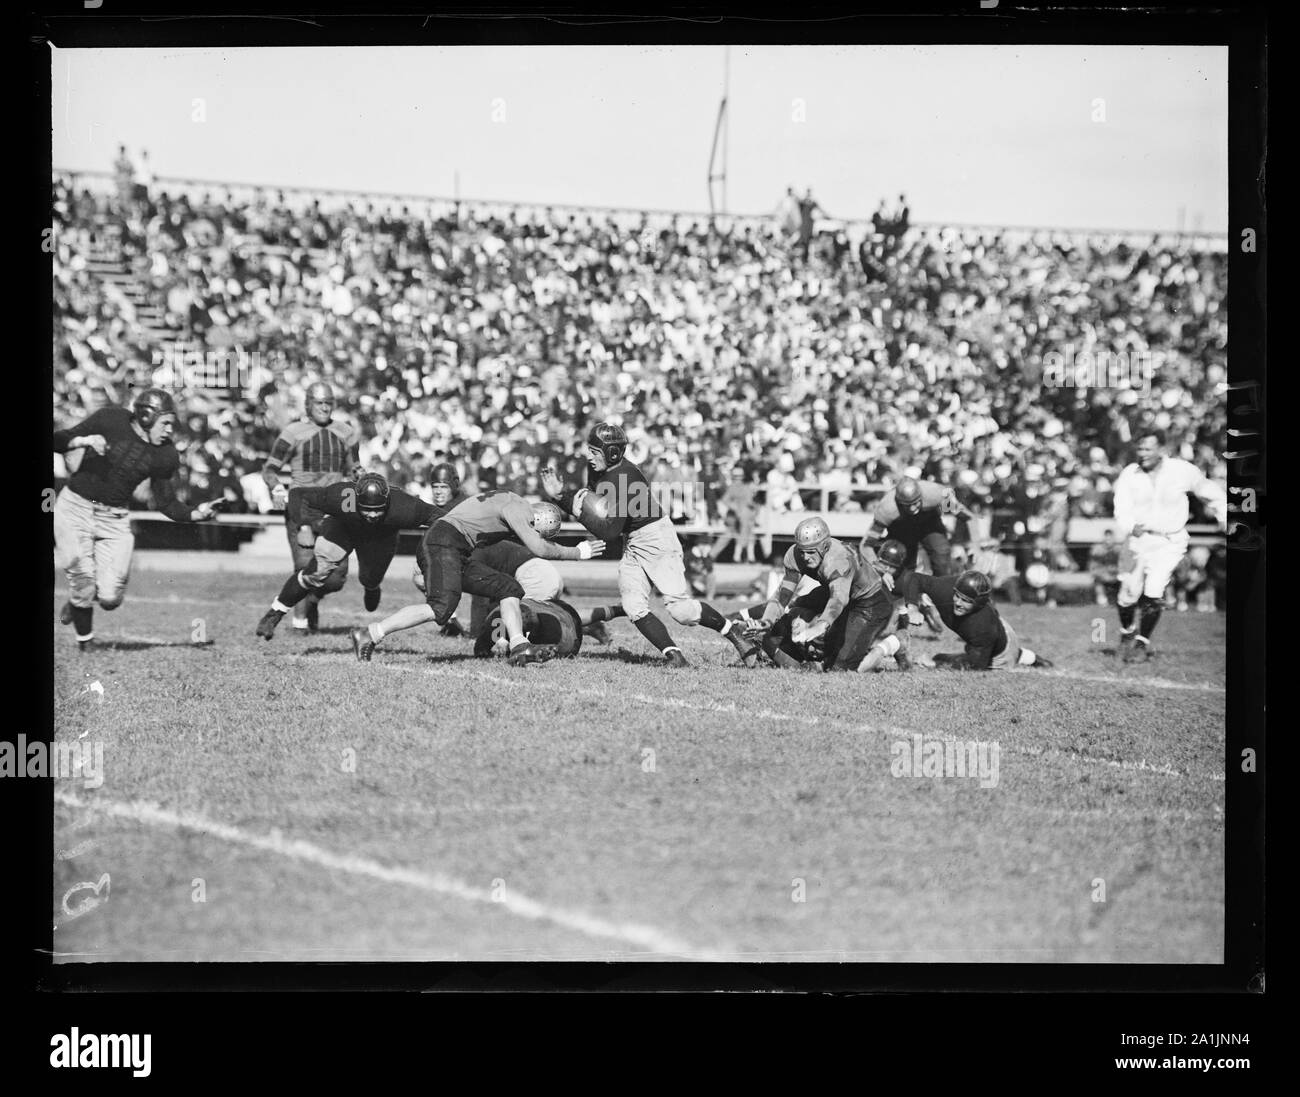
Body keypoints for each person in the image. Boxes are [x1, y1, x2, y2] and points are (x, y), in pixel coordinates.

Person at [540, 422, 759, 668]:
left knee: (681, 611)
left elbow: (608, 530)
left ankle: (733, 630)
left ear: (612, 452)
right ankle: (675, 656)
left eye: (595, 451)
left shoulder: (625, 477)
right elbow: (598, 511)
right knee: (634, 606)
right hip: (633, 540)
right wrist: (561, 497)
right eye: (589, 449)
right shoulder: (599, 470)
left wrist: (573, 507)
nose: (589, 456)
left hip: (656, 539)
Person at [358, 487, 605, 667]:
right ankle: (372, 633)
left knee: (509, 588)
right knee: (441, 608)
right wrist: (577, 552)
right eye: (535, 529)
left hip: (455, 546)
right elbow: (540, 549)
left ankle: (519, 645)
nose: (529, 532)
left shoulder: (511, 499)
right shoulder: (518, 510)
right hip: (444, 542)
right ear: (538, 518)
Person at [53, 388, 221, 650]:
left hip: (114, 518)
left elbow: (165, 502)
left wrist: (195, 513)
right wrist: (82, 441)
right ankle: (86, 642)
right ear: (146, 416)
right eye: (165, 423)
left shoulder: (165, 455)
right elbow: (57, 440)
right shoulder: (109, 419)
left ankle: (77, 604)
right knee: (83, 578)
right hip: (75, 507)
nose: (168, 430)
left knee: (110, 598)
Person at [254, 472, 440, 641]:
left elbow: (441, 517)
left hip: (381, 537)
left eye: (378, 509)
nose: (373, 514)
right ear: (356, 499)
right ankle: (275, 612)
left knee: (370, 578)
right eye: (367, 508)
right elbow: (298, 495)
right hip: (342, 528)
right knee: (317, 571)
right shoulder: (340, 496)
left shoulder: (404, 506)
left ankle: (371, 586)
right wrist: (304, 525)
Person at [1111, 428, 1227, 661]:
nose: (1142, 453)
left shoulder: (1181, 470)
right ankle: (1126, 633)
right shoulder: (1130, 473)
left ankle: (1141, 645)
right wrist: (1129, 525)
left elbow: (1210, 492)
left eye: (1148, 448)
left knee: (1154, 588)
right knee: (1127, 595)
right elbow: (1120, 506)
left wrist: (1224, 516)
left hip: (1169, 541)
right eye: (1140, 448)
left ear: (1161, 449)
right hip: (1138, 541)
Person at [738, 516, 904, 673]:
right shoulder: (795, 555)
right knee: (775, 635)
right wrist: (765, 622)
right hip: (829, 591)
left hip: (868, 602)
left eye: (810, 552)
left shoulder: (838, 559)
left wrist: (820, 625)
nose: (805, 557)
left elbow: (838, 599)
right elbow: (783, 596)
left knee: (842, 668)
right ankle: (808, 666)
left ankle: (893, 644)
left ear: (825, 546)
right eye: (802, 551)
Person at [261, 382, 360, 632]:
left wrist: (363, 477)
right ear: (308, 404)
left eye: (328, 403)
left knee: (336, 576)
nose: (324, 408)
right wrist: (276, 487)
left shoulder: (346, 432)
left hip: (334, 509)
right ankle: (300, 624)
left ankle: (313, 599)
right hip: (301, 507)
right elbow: (270, 468)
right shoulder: (293, 432)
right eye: (319, 403)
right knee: (304, 565)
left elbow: (355, 467)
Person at [892, 569, 1054, 672]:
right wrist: (912, 607)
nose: (958, 603)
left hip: (1001, 653)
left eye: (966, 601)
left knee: (940, 660)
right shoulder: (945, 588)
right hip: (999, 628)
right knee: (940, 658)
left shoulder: (982, 627)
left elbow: (976, 667)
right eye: (957, 596)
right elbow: (913, 578)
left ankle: (1029, 658)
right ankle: (1034, 659)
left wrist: (937, 665)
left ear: (979, 604)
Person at [1088, 528, 1123, 607]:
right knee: (1097, 579)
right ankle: (1102, 600)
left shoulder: (1119, 549)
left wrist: (1115, 571)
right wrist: (1102, 573)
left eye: (1110, 538)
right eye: (1106, 537)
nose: (1108, 540)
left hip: (1116, 573)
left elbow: (1123, 564)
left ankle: (1122, 600)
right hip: (1102, 573)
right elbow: (1093, 566)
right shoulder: (1097, 549)